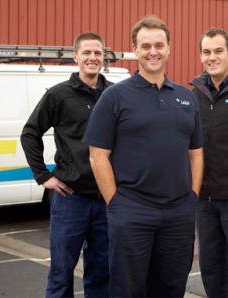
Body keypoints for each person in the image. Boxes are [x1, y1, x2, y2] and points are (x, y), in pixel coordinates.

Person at [83, 15, 204, 298]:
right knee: (128, 289)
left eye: (159, 45)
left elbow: (196, 152)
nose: (153, 51)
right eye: (146, 45)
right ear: (134, 49)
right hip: (133, 211)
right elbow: (97, 155)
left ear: (169, 48)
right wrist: (116, 204)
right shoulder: (114, 97)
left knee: (172, 287)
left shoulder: (187, 97)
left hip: (178, 213)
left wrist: (192, 196)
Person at [21, 32, 112, 298]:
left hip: (106, 200)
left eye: (97, 53)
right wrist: (42, 176)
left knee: (101, 272)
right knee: (61, 272)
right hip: (70, 199)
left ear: (103, 57)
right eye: (87, 53)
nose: (92, 58)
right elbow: (30, 133)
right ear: (76, 57)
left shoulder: (114, 94)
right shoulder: (59, 95)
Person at [191, 28, 228, 297]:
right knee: (211, 266)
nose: (211, 57)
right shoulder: (193, 96)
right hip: (204, 201)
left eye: (218, 51)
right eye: (206, 52)